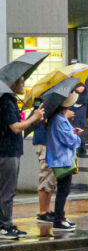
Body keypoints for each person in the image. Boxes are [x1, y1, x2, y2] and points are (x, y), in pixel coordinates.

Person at [0, 76, 43, 238]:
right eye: (21, 81)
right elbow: (16, 128)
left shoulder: (10, 102)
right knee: (7, 191)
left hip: (11, 151)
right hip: (7, 153)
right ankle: (5, 225)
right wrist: (33, 117)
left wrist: (35, 119)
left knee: (6, 190)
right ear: (12, 83)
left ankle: (5, 224)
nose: (23, 84)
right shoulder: (7, 103)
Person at [46, 94, 83, 232]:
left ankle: (61, 216)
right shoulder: (60, 119)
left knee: (63, 189)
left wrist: (72, 133)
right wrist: (77, 137)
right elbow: (69, 141)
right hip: (62, 160)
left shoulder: (55, 118)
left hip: (59, 158)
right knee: (63, 190)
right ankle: (58, 220)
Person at [69, 82, 88, 157]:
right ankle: (76, 146)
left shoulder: (83, 79)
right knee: (72, 127)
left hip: (80, 106)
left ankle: (81, 147)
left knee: (78, 127)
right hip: (72, 105)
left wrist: (72, 86)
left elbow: (80, 89)